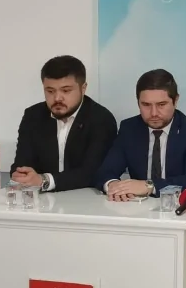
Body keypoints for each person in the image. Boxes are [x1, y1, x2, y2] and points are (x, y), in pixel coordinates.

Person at [94, 69, 186, 200]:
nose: (154, 113)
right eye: (146, 105)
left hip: (177, 205)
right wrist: (113, 185)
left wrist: (150, 186)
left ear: (175, 100)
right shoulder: (129, 128)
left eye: (161, 104)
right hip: (136, 205)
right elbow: (106, 171)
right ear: (138, 102)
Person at [10, 55, 117, 192]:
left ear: (83, 88)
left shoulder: (101, 119)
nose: (57, 98)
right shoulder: (33, 116)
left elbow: (92, 172)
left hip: (85, 198)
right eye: (50, 91)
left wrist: (45, 181)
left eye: (66, 91)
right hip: (41, 200)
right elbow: (22, 163)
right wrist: (21, 175)